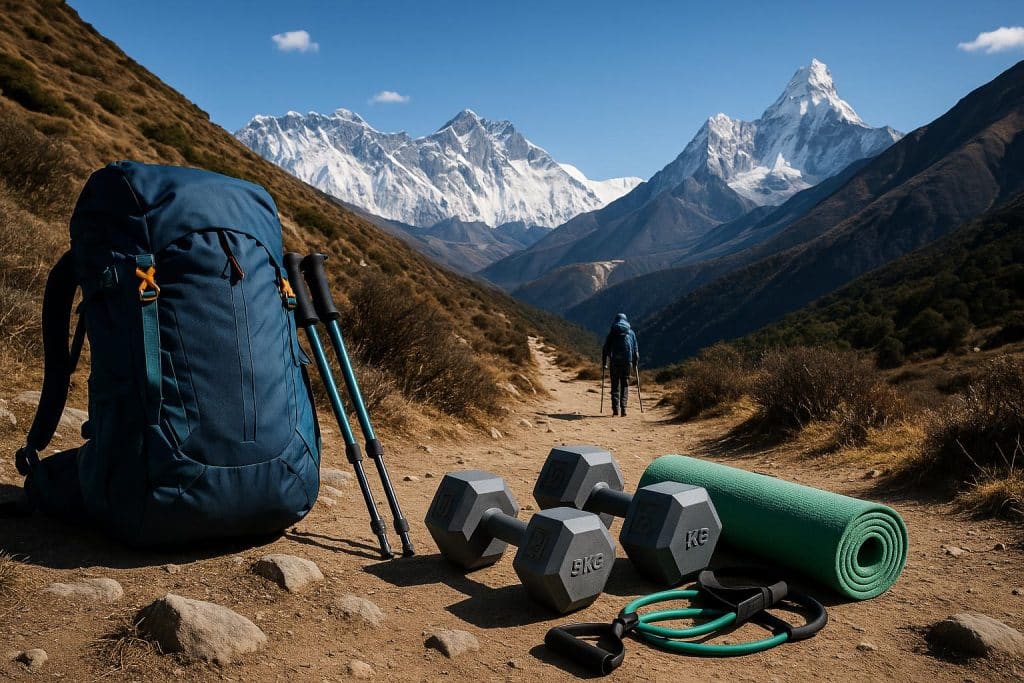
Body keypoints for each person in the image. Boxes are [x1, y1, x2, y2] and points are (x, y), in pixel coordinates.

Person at [601, 313, 639, 416]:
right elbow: (635, 351)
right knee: (625, 385)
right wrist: (635, 363)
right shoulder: (631, 333)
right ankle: (624, 409)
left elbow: (605, 349)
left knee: (615, 386)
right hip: (627, 363)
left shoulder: (612, 334)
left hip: (615, 362)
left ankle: (615, 410)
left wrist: (605, 363)